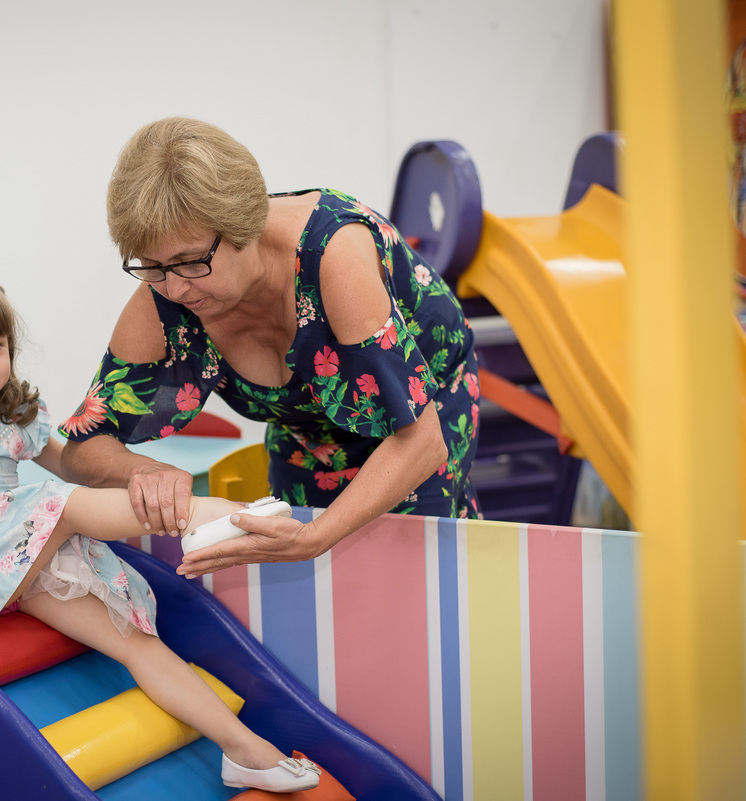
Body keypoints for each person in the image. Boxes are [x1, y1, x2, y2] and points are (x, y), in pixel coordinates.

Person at [0, 263, 320, 793]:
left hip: (14, 564)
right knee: (63, 507)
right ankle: (212, 516)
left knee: (137, 642)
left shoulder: (14, 418)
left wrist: (141, 471)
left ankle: (244, 749)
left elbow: (71, 466)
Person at [59, 117, 480, 579]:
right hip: (306, 434)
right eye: (153, 266)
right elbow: (81, 450)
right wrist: (140, 471)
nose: (175, 288)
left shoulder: (332, 256)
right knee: (301, 587)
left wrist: (316, 537)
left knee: (414, 581)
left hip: (424, 420)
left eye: (191, 262)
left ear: (246, 225)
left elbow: (421, 441)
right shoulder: (162, 297)